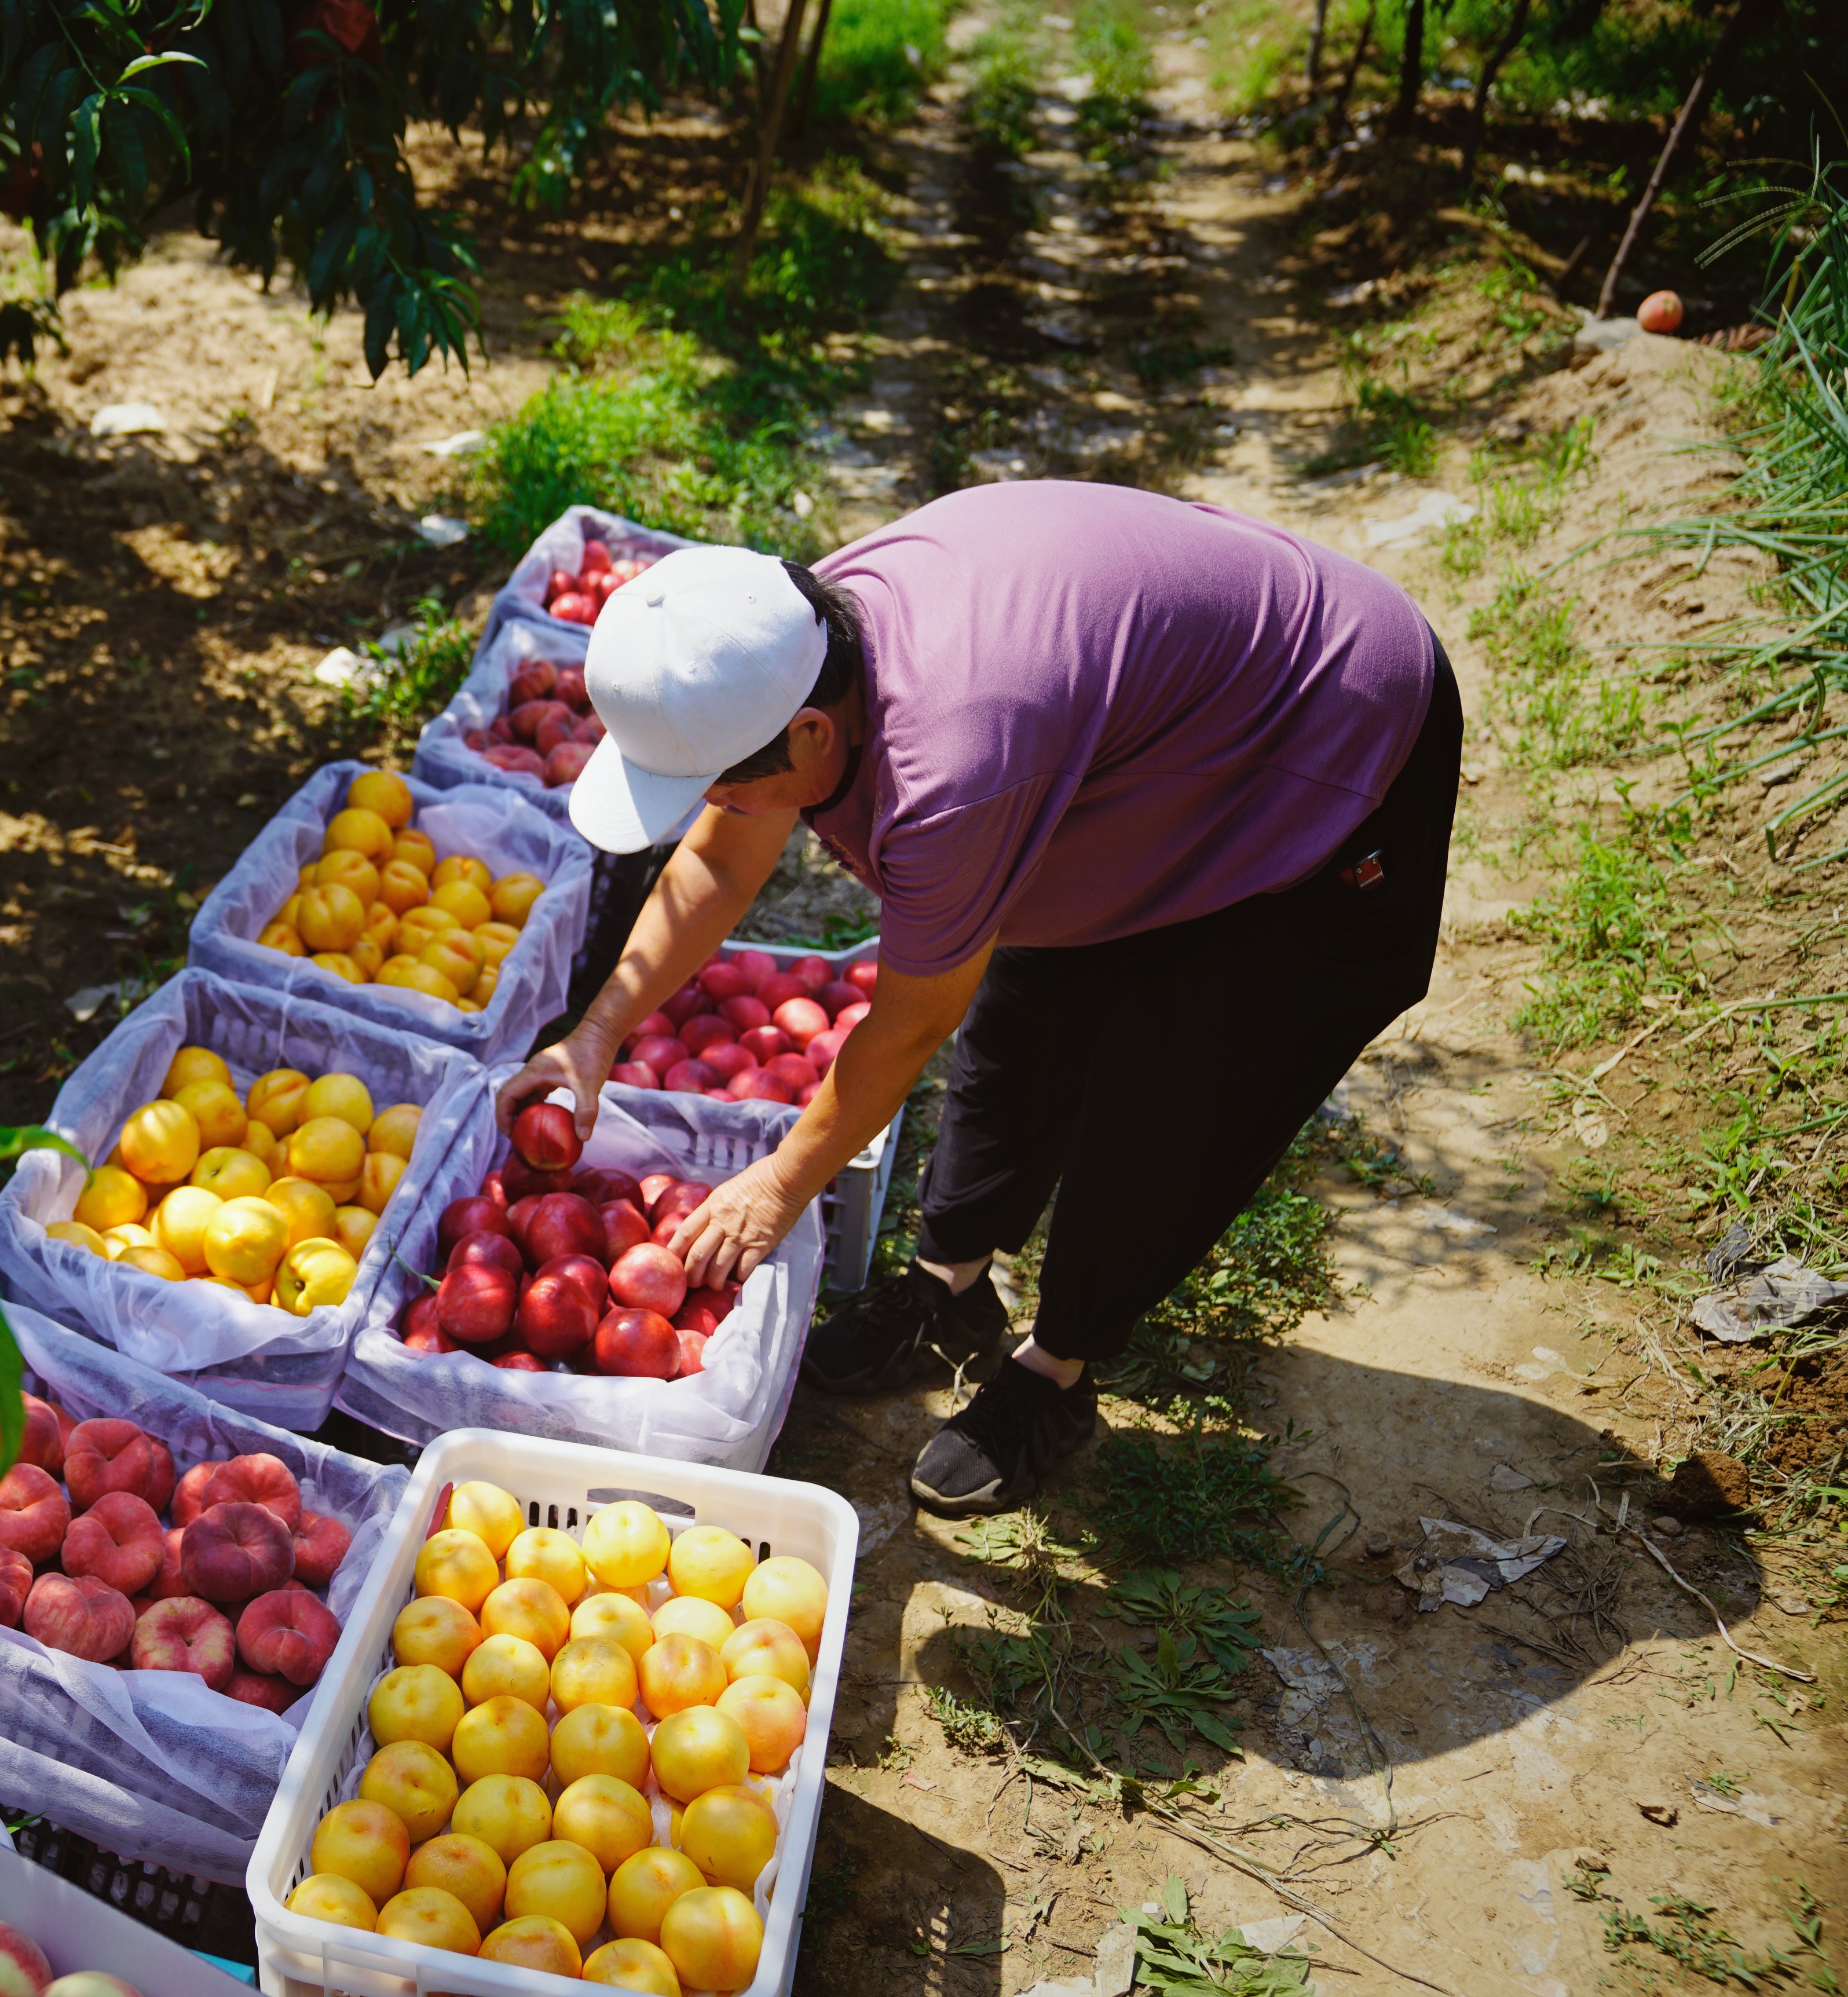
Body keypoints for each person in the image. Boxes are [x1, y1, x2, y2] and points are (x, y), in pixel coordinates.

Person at [497, 480, 1459, 1516]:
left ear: (815, 736)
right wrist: (594, 1037)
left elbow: (911, 1025)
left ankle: (1057, 1371)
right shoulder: (791, 645)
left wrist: (778, 1185)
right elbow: (719, 869)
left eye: (723, 786)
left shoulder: (954, 764)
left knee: (1176, 1087)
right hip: (1152, 745)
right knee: (1037, 989)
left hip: (1333, 755)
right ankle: (949, 1287)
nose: (719, 810)